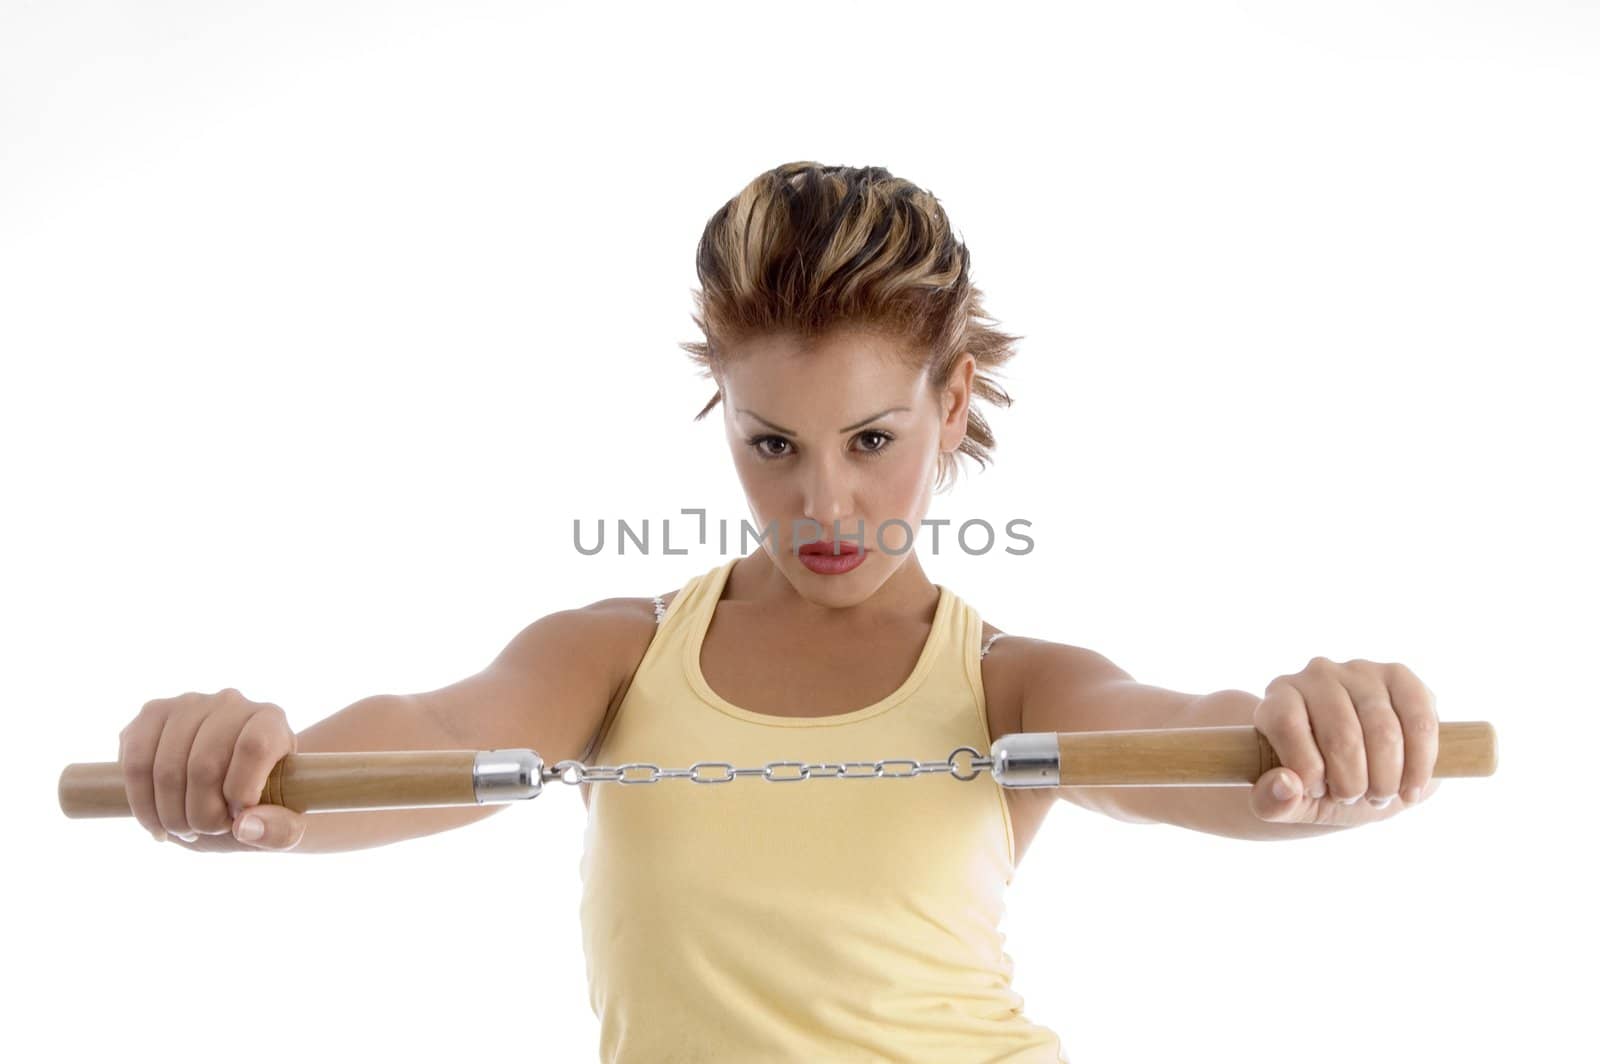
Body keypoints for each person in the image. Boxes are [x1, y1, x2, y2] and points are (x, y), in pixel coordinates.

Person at [118, 161, 1443, 1063]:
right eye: (771, 445)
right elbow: (429, 732)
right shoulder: (617, 659)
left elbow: (1185, 739)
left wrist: (1318, 733)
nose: (823, 504)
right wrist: (255, 771)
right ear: (724, 416)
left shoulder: (1012, 690)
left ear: (955, 404)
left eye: (873, 438)